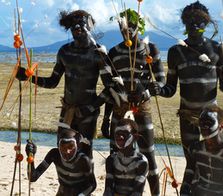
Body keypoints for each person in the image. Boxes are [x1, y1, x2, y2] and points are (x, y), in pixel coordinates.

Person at [147, 1, 223, 194]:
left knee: (219, 159)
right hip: (187, 116)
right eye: (190, 21)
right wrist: (159, 89)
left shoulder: (217, 49)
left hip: (212, 116)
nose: (194, 25)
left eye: (199, 22)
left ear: (207, 24)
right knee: (192, 161)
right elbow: (170, 89)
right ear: (184, 24)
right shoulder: (176, 52)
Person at [16, 10, 118, 156]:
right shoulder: (64, 52)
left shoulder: (98, 53)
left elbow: (110, 87)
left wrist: (90, 108)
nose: (77, 28)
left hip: (87, 115)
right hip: (67, 111)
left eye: (81, 25)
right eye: (73, 26)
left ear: (89, 26)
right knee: (64, 151)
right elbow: (52, 82)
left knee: (84, 155)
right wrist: (29, 77)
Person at [101, 8, 165, 196]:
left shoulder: (150, 49)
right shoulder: (114, 52)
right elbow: (111, 88)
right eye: (123, 27)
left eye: (132, 27)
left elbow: (160, 80)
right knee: (116, 157)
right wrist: (106, 118)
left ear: (140, 26)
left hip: (142, 109)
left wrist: (147, 92)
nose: (127, 31)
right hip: (119, 110)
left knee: (149, 155)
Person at [25, 128, 96, 196]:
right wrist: (31, 156)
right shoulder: (54, 154)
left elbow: (92, 185)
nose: (67, 151)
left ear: (78, 146)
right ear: (58, 145)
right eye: (63, 147)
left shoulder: (83, 160)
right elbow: (32, 177)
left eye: (71, 146)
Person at [189, 105, 223, 196]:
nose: (204, 127)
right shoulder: (195, 149)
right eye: (202, 123)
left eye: (209, 123)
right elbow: (188, 178)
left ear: (221, 126)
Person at [103, 119, 148, 196]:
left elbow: (137, 192)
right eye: (117, 134)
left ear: (135, 137)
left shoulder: (141, 161)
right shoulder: (111, 160)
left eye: (125, 133)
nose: (120, 137)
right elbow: (108, 189)